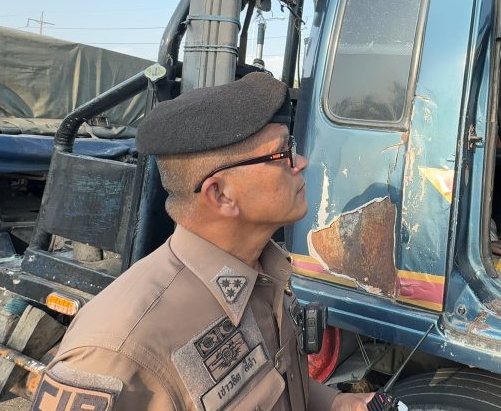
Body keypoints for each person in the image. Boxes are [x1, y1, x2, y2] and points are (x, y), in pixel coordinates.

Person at [30, 72, 373, 410]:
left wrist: (337, 403)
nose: (301, 163)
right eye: (281, 154)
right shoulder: (119, 350)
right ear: (220, 194)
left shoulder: (263, 272)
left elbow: (275, 378)